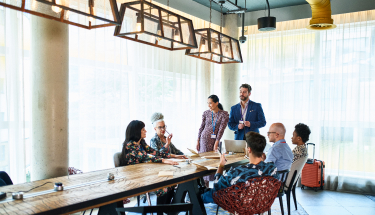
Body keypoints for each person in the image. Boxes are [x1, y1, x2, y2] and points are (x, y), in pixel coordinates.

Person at [201, 131, 278, 203]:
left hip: (238, 203)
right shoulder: (272, 168)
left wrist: (221, 165)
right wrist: (263, 162)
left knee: (201, 197)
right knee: (206, 191)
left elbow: (216, 185)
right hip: (259, 202)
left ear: (249, 149)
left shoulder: (237, 171)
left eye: (245, 146)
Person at [119, 120, 179, 209]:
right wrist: (164, 160)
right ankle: (160, 212)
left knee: (170, 182)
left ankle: (166, 209)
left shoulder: (141, 142)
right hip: (134, 176)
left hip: (143, 172)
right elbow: (145, 157)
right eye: (143, 129)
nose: (145, 131)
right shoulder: (130, 145)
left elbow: (154, 152)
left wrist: (173, 156)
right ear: (136, 131)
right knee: (163, 186)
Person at [197, 95, 229, 186]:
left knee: (213, 164)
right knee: (203, 164)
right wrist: (198, 140)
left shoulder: (224, 114)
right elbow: (201, 127)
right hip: (203, 141)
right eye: (208, 103)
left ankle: (216, 189)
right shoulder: (206, 113)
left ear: (216, 103)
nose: (208, 105)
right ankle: (203, 188)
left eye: (210, 103)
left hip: (214, 142)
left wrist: (217, 142)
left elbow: (221, 129)